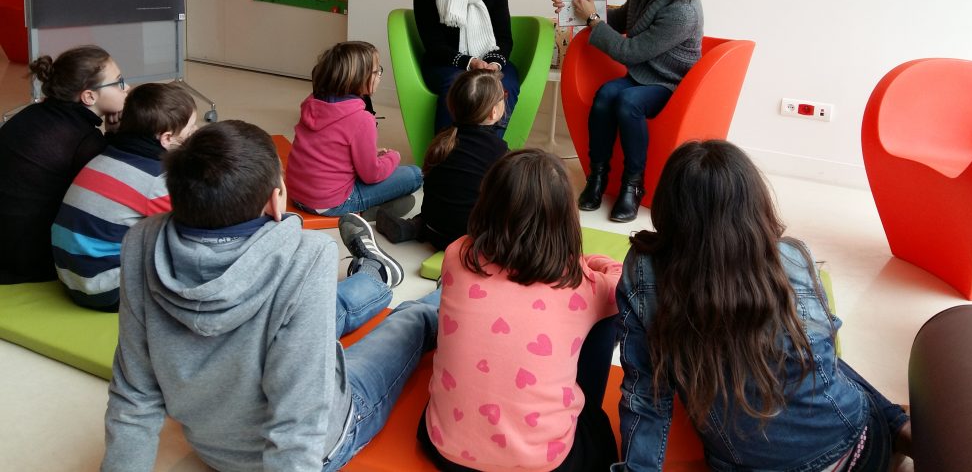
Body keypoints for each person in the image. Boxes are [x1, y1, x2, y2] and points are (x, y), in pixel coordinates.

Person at [101, 120, 440, 472]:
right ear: (276, 201)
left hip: (214, 445)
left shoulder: (142, 241)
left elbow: (133, 396)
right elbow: (300, 418)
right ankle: (450, 294)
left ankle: (374, 273)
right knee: (410, 321)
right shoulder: (307, 255)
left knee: (317, 307)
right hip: (321, 438)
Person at [614, 140, 913, 472]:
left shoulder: (642, 269)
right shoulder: (793, 257)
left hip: (746, 465)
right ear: (754, 204)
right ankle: (899, 425)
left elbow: (645, 394)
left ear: (669, 208)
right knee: (816, 356)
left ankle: (897, 424)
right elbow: (823, 356)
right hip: (853, 452)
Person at [420, 149, 621, 472]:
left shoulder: (458, 255)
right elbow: (621, 282)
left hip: (446, 450)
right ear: (566, 220)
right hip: (543, 464)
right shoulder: (580, 283)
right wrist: (587, 261)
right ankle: (584, 408)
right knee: (606, 318)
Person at [551, 0, 703, 222]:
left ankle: (633, 186)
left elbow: (629, 51)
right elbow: (621, 20)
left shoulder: (683, 10)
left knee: (627, 102)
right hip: (641, 76)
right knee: (605, 95)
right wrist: (573, 7)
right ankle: (597, 176)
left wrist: (592, 19)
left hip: (670, 83)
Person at [51, 83, 197, 311]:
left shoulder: (106, 156)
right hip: (106, 290)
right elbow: (194, 225)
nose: (196, 131)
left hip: (72, 276)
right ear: (167, 139)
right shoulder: (156, 181)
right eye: (191, 129)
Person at [0, 45, 129, 283]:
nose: (127, 88)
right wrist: (115, 136)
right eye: (119, 82)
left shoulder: (32, 112)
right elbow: (112, 190)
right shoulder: (84, 140)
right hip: (26, 259)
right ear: (89, 96)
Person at [286, 41, 421, 225]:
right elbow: (371, 175)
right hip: (331, 203)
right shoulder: (362, 119)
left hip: (297, 195)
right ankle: (363, 211)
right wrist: (393, 157)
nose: (379, 76)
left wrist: (371, 154)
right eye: (377, 71)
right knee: (414, 175)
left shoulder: (312, 103)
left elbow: (328, 149)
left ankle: (374, 208)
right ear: (359, 78)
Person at [375, 69, 508, 248]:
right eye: (503, 97)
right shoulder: (499, 150)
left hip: (433, 228)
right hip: (469, 241)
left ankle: (415, 227)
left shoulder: (443, 139)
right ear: (493, 112)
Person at [414, 0, 520, 133]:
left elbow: (504, 38)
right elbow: (434, 46)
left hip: (489, 60)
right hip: (445, 64)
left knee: (505, 83)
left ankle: (489, 147)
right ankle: (447, 150)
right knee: (459, 85)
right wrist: (470, 63)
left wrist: (493, 64)